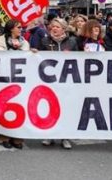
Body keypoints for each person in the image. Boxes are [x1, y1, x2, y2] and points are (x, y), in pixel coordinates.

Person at [37, 18, 77, 149]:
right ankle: (49, 135)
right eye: (52, 27)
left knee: (65, 109)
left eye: (57, 27)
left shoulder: (72, 42)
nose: (54, 29)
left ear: (64, 29)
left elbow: (81, 58)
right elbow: (37, 58)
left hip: (66, 81)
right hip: (49, 81)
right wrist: (34, 53)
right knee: (50, 108)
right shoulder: (44, 41)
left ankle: (65, 137)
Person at [0, 19, 29, 149]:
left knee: (19, 108)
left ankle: (17, 138)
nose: (21, 29)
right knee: (4, 107)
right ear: (11, 28)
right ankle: (4, 137)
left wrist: (33, 53)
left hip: (19, 81)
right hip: (4, 80)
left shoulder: (25, 43)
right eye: (18, 27)